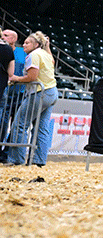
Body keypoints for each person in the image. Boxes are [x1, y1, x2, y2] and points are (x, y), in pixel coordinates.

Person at [4, 31, 57, 166]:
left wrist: (16, 79)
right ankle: (38, 161)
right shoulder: (45, 53)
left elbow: (31, 77)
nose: (24, 45)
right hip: (52, 92)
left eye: (28, 43)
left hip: (39, 93)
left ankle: (17, 159)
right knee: (41, 127)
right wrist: (48, 46)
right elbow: (52, 61)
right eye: (25, 42)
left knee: (19, 124)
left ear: (36, 45)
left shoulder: (33, 55)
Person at [1, 29, 25, 143]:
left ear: (14, 39)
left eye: (6, 35)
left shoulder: (22, 52)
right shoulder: (2, 50)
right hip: (5, 90)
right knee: (2, 120)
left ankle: (8, 152)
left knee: (16, 122)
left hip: (19, 92)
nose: (3, 37)